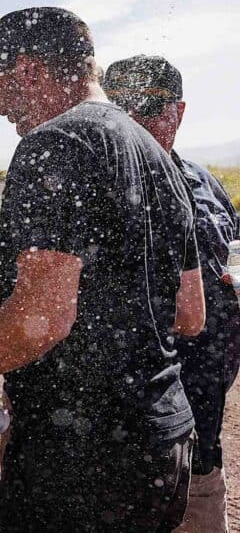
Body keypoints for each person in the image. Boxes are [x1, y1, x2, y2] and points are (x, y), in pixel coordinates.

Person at [0, 7, 206, 532]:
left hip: (84, 457)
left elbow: (38, 324)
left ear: (26, 70)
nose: (0, 107)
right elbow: (189, 314)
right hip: (164, 442)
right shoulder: (155, 154)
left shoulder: (55, 144)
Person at [103, 55, 240, 533]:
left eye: (150, 106)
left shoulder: (206, 183)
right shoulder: (98, 188)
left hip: (204, 426)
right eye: (121, 106)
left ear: (178, 112)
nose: (135, 119)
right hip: (133, 437)